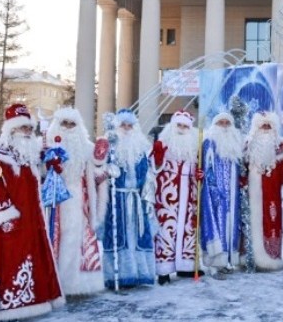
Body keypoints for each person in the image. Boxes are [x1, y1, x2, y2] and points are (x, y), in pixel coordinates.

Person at [0, 104, 63, 322]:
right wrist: (6, 214)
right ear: (10, 130)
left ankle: (34, 301)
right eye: (22, 128)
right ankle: (11, 305)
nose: (27, 132)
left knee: (31, 258)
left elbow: (33, 183)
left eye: (29, 128)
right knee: (12, 261)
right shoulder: (0, 157)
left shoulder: (29, 156)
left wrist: (49, 168)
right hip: (13, 221)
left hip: (32, 221)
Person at [43, 107, 107, 296]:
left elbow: (97, 172)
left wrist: (102, 164)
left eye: (73, 124)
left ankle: (76, 283)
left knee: (76, 238)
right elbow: (37, 172)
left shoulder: (87, 147)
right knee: (56, 237)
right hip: (54, 199)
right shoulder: (46, 144)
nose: (68, 128)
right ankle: (56, 282)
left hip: (79, 198)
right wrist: (46, 167)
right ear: (57, 124)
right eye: (65, 123)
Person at [101, 108, 156, 288]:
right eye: (123, 125)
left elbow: (148, 175)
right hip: (117, 198)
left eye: (129, 125)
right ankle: (119, 275)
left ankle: (140, 273)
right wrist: (108, 170)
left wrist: (148, 198)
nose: (126, 128)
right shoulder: (110, 146)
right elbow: (99, 167)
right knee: (119, 237)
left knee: (137, 236)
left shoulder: (141, 148)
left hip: (136, 199)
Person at [151, 110, 203, 284]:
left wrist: (200, 175)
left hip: (189, 194)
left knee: (188, 229)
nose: (181, 129)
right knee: (166, 230)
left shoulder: (195, 147)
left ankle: (186, 267)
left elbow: (199, 167)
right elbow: (154, 167)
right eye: (179, 125)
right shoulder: (164, 143)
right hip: (168, 193)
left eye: (185, 126)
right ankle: (163, 270)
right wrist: (157, 159)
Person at [245, 111, 283, 271]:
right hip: (252, 195)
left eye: (268, 126)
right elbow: (241, 170)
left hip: (272, 194)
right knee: (252, 222)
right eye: (262, 126)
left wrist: (274, 181)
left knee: (272, 221)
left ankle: (272, 257)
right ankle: (252, 258)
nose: (265, 129)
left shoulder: (282, 147)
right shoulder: (247, 146)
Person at [200, 112, 244, 276]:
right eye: (221, 123)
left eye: (227, 123)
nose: (224, 126)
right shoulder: (209, 143)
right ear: (215, 125)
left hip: (232, 196)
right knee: (216, 227)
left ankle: (226, 261)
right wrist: (214, 190)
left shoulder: (234, 144)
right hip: (215, 195)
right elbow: (208, 169)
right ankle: (214, 264)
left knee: (230, 227)